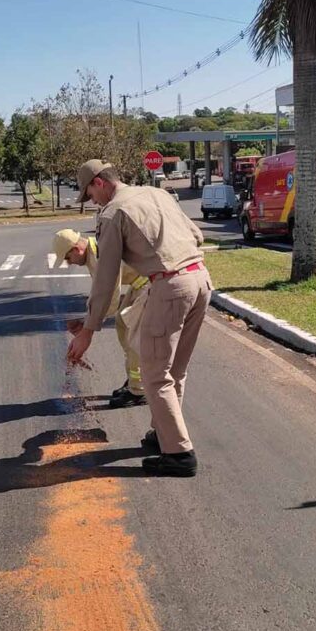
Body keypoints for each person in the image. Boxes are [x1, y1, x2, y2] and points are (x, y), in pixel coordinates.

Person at [67, 159, 211, 477]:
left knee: (154, 375)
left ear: (99, 182)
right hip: (200, 279)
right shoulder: (154, 192)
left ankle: (179, 455)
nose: (91, 200)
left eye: (89, 193)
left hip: (170, 287)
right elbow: (196, 235)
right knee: (175, 370)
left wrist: (88, 330)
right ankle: (164, 435)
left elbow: (106, 280)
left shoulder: (112, 213)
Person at [53, 228, 148, 407]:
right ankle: (135, 380)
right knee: (123, 325)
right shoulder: (94, 252)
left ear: (76, 249)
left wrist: (88, 328)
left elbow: (109, 297)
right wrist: (86, 321)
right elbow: (99, 294)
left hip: (148, 285)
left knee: (131, 335)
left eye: (67, 258)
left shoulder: (98, 256)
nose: (69, 263)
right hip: (140, 284)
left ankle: (139, 390)